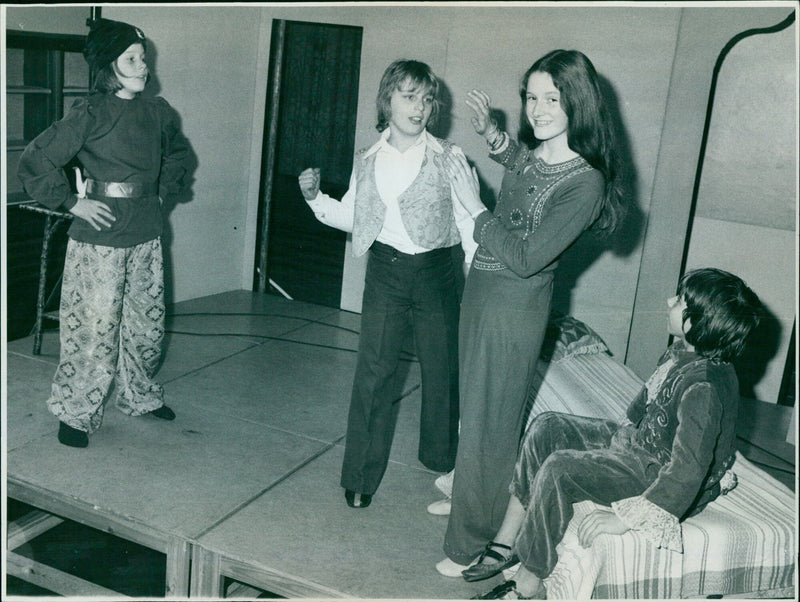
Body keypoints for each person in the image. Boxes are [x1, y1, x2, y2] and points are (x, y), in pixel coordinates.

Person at [436, 49, 625, 576]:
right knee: (471, 410)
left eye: (551, 98)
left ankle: (470, 539)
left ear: (577, 103)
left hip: (515, 308)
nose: (538, 108)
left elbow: (525, 256)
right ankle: (472, 503)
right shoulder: (542, 153)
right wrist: (494, 137)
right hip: (482, 294)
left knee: (490, 425)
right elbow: (525, 171)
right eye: (531, 96)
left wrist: (475, 209)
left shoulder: (586, 183)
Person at [466, 268, 763, 599]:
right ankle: (507, 541)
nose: (669, 301)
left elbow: (688, 469)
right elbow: (649, 398)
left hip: (659, 474)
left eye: (679, 300)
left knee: (560, 468)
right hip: (644, 446)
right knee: (547, 426)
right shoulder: (686, 349)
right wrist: (625, 428)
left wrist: (627, 517)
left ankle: (528, 580)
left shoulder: (703, 387)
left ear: (696, 322)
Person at [298, 59, 478, 508]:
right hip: (386, 274)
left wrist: (477, 280)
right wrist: (314, 198)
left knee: (443, 372)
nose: (419, 108)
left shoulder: (449, 156)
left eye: (426, 98)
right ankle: (359, 475)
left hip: (438, 273)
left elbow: (470, 222)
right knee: (374, 374)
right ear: (388, 101)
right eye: (408, 96)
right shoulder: (369, 158)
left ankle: (442, 457)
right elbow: (355, 217)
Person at [17, 18, 190, 448]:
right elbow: (36, 160)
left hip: (147, 234)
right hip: (100, 242)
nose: (143, 66)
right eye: (131, 58)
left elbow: (179, 156)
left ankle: (138, 396)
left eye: (144, 57)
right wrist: (73, 203)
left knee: (145, 328)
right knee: (93, 329)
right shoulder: (90, 113)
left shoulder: (159, 112)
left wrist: (162, 194)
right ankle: (77, 412)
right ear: (109, 67)